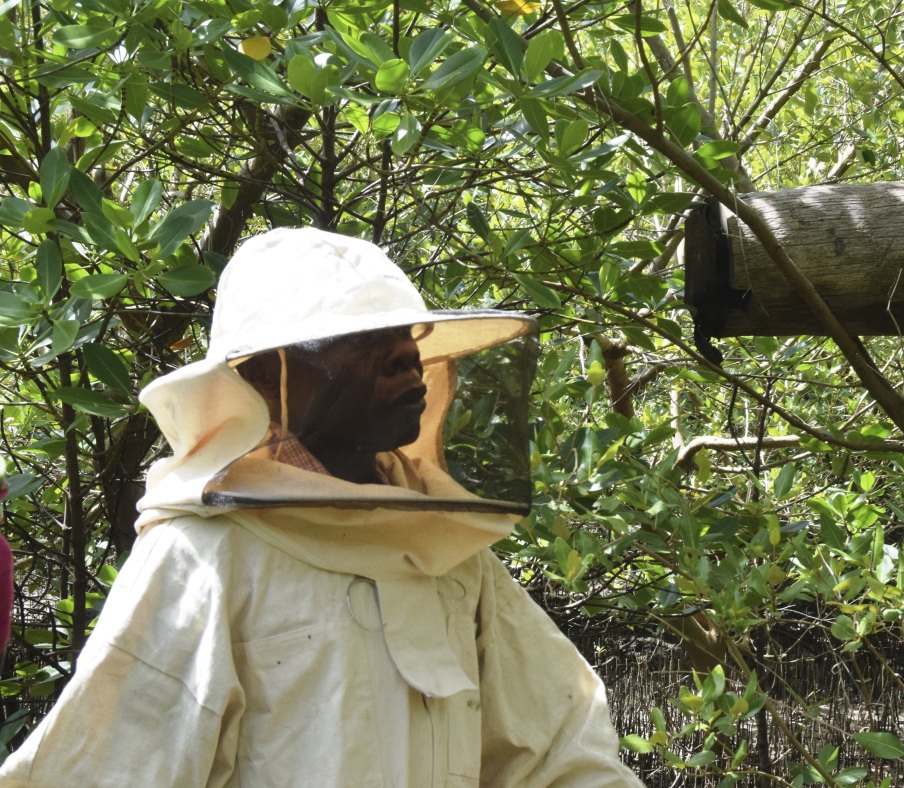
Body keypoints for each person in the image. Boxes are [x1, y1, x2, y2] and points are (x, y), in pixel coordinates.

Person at [0, 228, 643, 787]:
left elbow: (559, 748)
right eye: (363, 339)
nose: (406, 356)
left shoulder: (442, 545)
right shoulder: (205, 554)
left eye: (406, 335)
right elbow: (109, 770)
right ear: (264, 377)